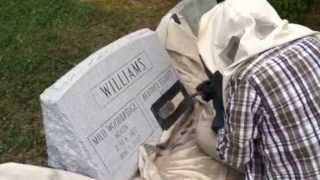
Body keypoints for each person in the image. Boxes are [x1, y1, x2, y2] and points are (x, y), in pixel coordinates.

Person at [196, 0, 320, 179]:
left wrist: (223, 124)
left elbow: (236, 155)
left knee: (202, 131)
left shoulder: (246, 79)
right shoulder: (313, 43)